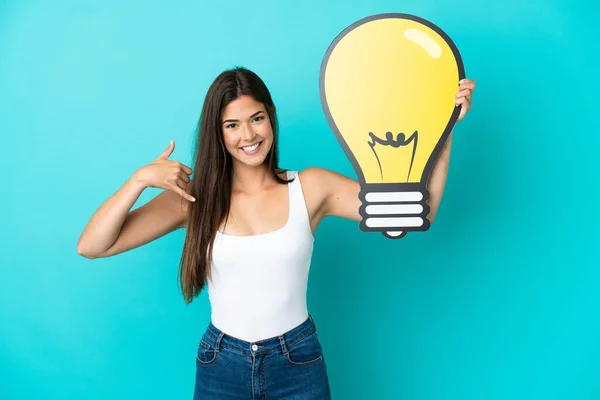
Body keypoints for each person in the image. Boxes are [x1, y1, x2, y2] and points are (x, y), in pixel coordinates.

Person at [77, 67, 476, 399]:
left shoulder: (313, 187)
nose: (248, 136)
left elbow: (417, 211)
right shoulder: (193, 198)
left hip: (297, 362)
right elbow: (92, 246)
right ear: (218, 133)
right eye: (232, 125)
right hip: (221, 364)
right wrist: (138, 181)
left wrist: (445, 130)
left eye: (256, 119)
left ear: (270, 117)